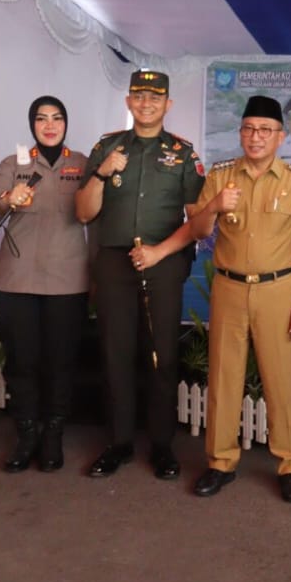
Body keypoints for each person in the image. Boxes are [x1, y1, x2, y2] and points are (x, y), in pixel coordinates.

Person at [189, 95, 291, 502]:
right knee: (224, 378)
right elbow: (197, 230)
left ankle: (290, 464)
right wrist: (214, 205)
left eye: (265, 130)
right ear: (240, 133)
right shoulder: (220, 176)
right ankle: (220, 462)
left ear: (280, 137)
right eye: (248, 128)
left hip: (278, 291)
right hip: (229, 288)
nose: (256, 136)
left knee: (281, 380)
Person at [76, 70, 204, 481]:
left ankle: (162, 445)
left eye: (155, 97)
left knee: (161, 354)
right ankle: (119, 442)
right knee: (115, 353)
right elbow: (83, 212)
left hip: (163, 262)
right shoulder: (106, 147)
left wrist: (160, 252)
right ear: (128, 102)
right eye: (139, 96)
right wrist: (102, 172)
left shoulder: (183, 154)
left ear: (168, 104)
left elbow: (197, 222)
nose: (146, 103)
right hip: (115, 261)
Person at [0, 96, 90, 473]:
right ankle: (26, 433)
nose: (49, 125)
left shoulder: (82, 164)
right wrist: (7, 197)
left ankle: (53, 434)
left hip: (67, 280)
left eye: (57, 118)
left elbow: (96, 207)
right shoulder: (13, 164)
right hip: (18, 279)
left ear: (66, 123)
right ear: (32, 124)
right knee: (21, 361)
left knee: (61, 362)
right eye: (41, 119)